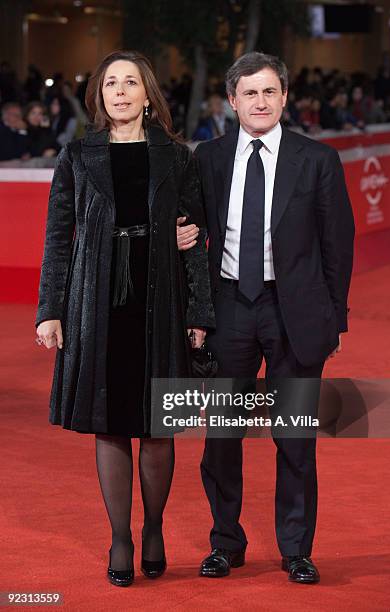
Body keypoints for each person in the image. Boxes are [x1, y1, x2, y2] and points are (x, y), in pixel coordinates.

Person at [35, 49, 215, 587]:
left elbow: (193, 242)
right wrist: (51, 310)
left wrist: (200, 310)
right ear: (100, 95)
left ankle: (155, 527)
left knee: (158, 427)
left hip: (161, 303)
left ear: (146, 93)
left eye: (130, 82)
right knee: (109, 425)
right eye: (110, 83)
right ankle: (121, 537)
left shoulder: (177, 157)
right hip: (97, 304)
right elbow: (57, 240)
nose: (119, 91)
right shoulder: (76, 156)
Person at [177, 52, 354, 583]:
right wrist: (186, 256)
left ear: (284, 98)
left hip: (293, 314)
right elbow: (190, 234)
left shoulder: (318, 159)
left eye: (270, 92)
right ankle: (225, 543)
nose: (260, 101)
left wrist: (334, 321)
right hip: (228, 309)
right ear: (232, 101)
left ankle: (296, 549)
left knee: (295, 438)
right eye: (249, 93)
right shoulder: (206, 157)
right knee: (222, 439)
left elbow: (337, 247)